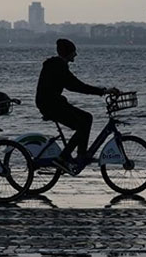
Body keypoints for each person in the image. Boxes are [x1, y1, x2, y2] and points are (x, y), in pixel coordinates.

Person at [35, 39, 118, 174]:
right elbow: (76, 86)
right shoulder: (58, 66)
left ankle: (80, 155)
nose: (76, 55)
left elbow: (74, 85)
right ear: (68, 53)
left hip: (52, 103)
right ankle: (65, 157)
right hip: (51, 105)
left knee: (86, 118)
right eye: (74, 52)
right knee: (83, 123)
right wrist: (103, 91)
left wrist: (100, 91)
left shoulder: (56, 64)